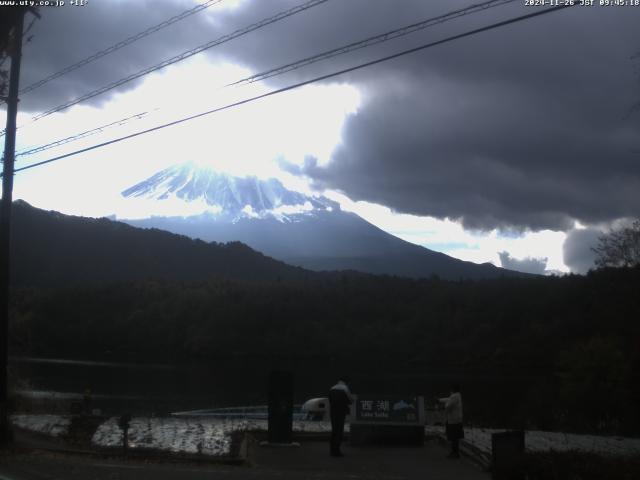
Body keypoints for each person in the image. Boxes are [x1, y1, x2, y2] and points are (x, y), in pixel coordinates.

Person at [328, 377, 353, 457]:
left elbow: (330, 400)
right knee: (339, 430)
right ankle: (337, 451)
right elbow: (350, 400)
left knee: (334, 430)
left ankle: (332, 450)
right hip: (341, 412)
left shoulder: (332, 388)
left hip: (333, 412)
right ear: (345, 382)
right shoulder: (345, 388)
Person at [439, 384, 463, 459]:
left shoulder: (454, 396)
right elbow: (448, 399)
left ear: (453, 389)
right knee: (455, 437)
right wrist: (439, 400)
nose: (450, 390)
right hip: (457, 419)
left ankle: (455, 453)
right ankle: (455, 452)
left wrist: (443, 408)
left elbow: (448, 406)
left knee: (454, 437)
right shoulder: (457, 396)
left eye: (451, 389)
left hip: (454, 420)